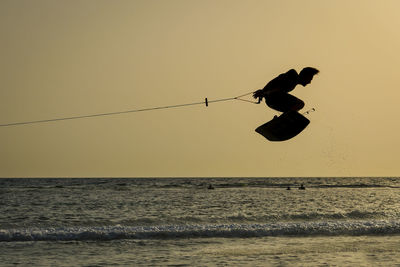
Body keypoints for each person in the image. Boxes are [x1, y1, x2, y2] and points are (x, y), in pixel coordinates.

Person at [253, 67, 319, 112]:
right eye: (310, 79)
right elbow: (277, 83)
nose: (309, 82)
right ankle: (285, 119)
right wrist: (264, 92)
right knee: (300, 104)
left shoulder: (293, 81)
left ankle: (283, 120)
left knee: (293, 108)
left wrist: (264, 92)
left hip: (271, 101)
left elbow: (276, 83)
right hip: (273, 99)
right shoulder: (293, 76)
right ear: (305, 76)